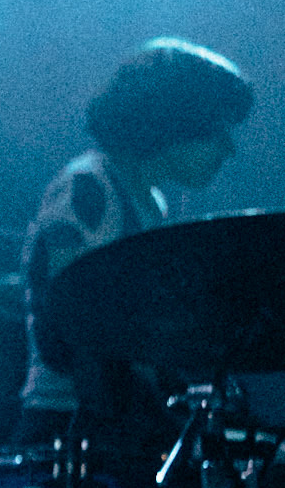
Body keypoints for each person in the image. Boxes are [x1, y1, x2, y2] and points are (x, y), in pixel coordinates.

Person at [16, 36, 254, 454]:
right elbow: (90, 352)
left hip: (123, 430)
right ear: (174, 122)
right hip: (77, 437)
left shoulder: (148, 202)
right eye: (217, 130)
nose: (228, 149)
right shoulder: (88, 189)